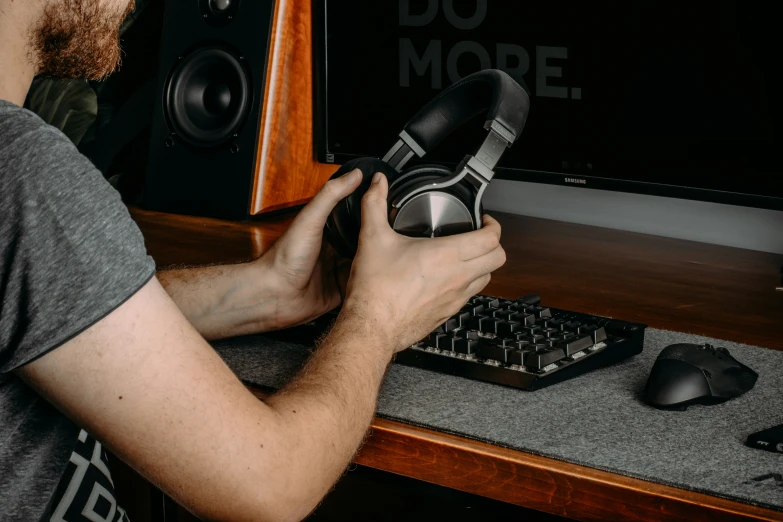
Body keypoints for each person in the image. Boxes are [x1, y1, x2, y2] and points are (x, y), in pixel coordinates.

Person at [0, 0, 506, 520]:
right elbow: (273, 488)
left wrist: (269, 290)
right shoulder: (24, 172)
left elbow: (49, 310)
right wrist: (378, 317)